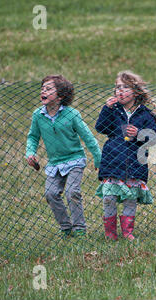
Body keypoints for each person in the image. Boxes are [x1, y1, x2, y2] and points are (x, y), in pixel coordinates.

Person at [26, 75, 101, 237]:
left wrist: (98, 157)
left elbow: (88, 137)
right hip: (54, 163)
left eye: (48, 89)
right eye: (42, 88)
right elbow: (32, 136)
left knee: (72, 192)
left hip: (75, 159)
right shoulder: (38, 115)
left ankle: (79, 228)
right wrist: (30, 152)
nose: (43, 91)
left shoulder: (72, 114)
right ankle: (66, 228)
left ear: (60, 96)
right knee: (51, 194)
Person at [95, 71, 156, 241]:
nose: (120, 91)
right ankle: (110, 233)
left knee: (130, 198)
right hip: (112, 162)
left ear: (136, 92)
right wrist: (106, 109)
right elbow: (101, 127)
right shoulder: (114, 111)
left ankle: (128, 232)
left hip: (135, 164)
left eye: (125, 87)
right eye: (117, 88)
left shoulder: (145, 114)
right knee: (109, 197)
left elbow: (153, 138)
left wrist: (139, 133)